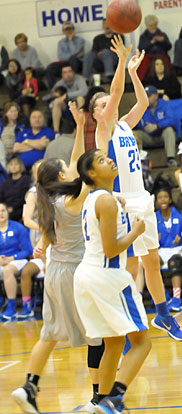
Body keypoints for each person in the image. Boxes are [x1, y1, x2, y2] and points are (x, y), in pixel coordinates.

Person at [91, 35, 182, 341]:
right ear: (97, 114)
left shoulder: (123, 125)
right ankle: (123, 324)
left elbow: (143, 102)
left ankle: (162, 315)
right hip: (122, 204)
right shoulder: (103, 130)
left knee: (152, 263)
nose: (111, 105)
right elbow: (117, 92)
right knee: (130, 268)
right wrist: (121, 62)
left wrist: (134, 73)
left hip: (142, 200)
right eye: (103, 104)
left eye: (109, 102)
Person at [11, 102, 104, 414]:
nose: (71, 167)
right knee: (97, 337)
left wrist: (79, 127)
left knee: (48, 335)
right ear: (63, 175)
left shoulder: (47, 199)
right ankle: (98, 399)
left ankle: (28, 387)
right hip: (75, 274)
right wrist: (82, 128)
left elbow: (75, 162)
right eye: (67, 166)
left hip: (53, 274)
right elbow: (81, 162)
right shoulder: (70, 199)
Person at [62, 148, 151, 414]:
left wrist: (122, 210)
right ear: (91, 173)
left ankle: (100, 401)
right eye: (101, 160)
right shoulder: (105, 201)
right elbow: (112, 249)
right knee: (141, 343)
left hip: (87, 277)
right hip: (107, 277)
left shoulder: (95, 198)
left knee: (113, 344)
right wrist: (136, 231)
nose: (110, 160)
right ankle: (115, 398)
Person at [17, 160, 44, 319]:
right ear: (34, 174)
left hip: (59, 245)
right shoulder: (32, 193)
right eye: (37, 170)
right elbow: (26, 220)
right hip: (40, 244)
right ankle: (27, 307)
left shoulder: (58, 190)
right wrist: (44, 228)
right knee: (26, 272)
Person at [155, 187, 182, 312]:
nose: (163, 199)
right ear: (157, 201)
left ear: (170, 200)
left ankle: (176, 299)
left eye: (165, 197)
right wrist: (155, 240)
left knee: (174, 263)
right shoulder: (154, 217)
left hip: (178, 249)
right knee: (152, 263)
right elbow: (147, 238)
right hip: (162, 249)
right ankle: (162, 295)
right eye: (160, 197)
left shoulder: (180, 214)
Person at [0, 202, 33, 320]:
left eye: (3, 210)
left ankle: (11, 306)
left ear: (7, 213)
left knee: (8, 270)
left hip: (18, 259)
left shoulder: (18, 227)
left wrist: (11, 258)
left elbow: (28, 250)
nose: (1, 213)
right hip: (1, 261)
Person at [135, 85, 177, 166]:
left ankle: (170, 159)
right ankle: (139, 161)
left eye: (148, 96)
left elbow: (172, 120)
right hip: (148, 135)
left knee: (169, 130)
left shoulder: (165, 104)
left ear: (156, 95)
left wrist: (157, 126)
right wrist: (144, 127)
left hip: (162, 134)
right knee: (134, 134)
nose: (146, 98)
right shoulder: (141, 106)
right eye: (145, 96)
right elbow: (138, 122)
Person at [82, 19, 124, 83]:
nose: (107, 26)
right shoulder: (97, 38)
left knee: (105, 52)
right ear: (102, 26)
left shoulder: (118, 36)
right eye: (105, 24)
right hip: (100, 59)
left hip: (114, 59)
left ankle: (110, 75)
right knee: (88, 54)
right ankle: (85, 78)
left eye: (109, 24)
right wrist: (99, 54)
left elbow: (121, 51)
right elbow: (94, 51)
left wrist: (104, 52)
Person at [46, 21, 85, 88]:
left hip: (77, 63)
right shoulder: (61, 42)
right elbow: (61, 57)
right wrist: (75, 54)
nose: (69, 31)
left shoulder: (80, 40)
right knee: (49, 69)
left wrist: (70, 40)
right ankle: (54, 89)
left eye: (70, 28)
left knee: (73, 59)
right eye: (67, 29)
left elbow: (74, 54)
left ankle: (73, 84)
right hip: (65, 64)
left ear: (73, 29)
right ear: (63, 31)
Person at [50, 64, 88, 133]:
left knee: (80, 98)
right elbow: (50, 95)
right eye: (65, 72)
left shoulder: (79, 79)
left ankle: (83, 126)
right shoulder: (60, 83)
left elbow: (84, 91)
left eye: (69, 71)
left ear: (73, 72)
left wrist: (67, 95)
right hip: (66, 107)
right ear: (62, 75)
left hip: (78, 106)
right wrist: (56, 95)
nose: (67, 74)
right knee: (56, 101)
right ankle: (56, 132)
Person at [137, 14, 172, 81]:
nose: (153, 27)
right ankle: (141, 82)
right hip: (148, 55)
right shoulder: (143, 36)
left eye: (155, 25)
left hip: (160, 54)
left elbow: (169, 46)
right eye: (151, 25)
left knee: (165, 61)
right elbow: (141, 48)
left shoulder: (162, 34)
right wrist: (151, 42)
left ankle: (167, 80)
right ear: (147, 26)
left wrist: (163, 41)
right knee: (143, 63)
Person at [0, 155, 31, 222]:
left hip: (20, 209)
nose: (13, 167)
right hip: (6, 208)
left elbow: (23, 198)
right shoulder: (6, 182)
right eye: (11, 164)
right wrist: (5, 208)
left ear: (20, 166)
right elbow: (1, 197)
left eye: (16, 164)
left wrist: (12, 208)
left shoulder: (26, 179)